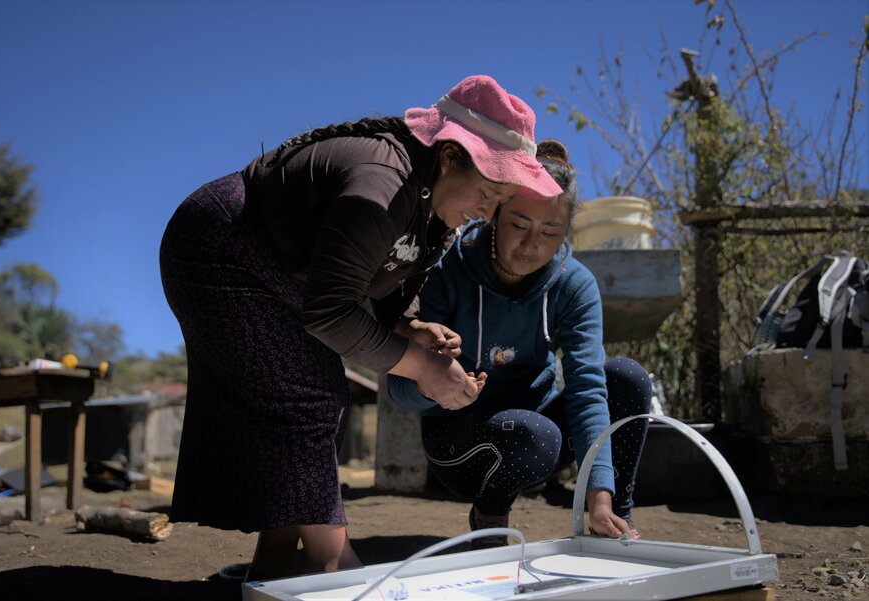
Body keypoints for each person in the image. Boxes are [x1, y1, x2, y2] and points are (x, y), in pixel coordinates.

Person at [158, 75, 561, 580]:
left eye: (498, 198)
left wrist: (409, 327)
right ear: (448, 156)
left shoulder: (435, 203)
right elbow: (329, 311)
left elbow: (386, 274)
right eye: (487, 190)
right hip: (222, 249)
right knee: (308, 399)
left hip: (285, 273)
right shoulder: (383, 179)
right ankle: (336, 570)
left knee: (317, 405)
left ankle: (273, 574)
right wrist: (424, 370)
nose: (487, 209)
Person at [387, 139, 652, 548]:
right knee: (533, 434)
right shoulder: (447, 266)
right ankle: (491, 517)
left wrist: (599, 495)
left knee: (626, 378)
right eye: (518, 225)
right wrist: (430, 380)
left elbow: (586, 389)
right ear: (495, 213)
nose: (532, 246)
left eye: (550, 232)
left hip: (539, 432)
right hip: (459, 442)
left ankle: (616, 521)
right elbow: (397, 386)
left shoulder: (574, 284)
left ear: (566, 232)